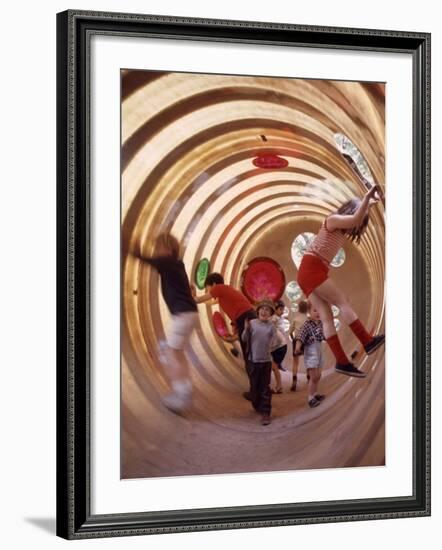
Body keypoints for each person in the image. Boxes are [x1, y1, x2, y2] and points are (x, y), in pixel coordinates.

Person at [297, 185, 385, 377]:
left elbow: (355, 219)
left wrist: (369, 205)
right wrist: (367, 197)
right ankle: (367, 341)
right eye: (359, 218)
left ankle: (342, 362)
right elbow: (354, 219)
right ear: (351, 211)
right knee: (342, 301)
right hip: (312, 267)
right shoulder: (333, 219)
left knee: (327, 317)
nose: (357, 226)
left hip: (309, 269)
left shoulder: (341, 228)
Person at [135, 233, 198, 414]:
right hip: (189, 314)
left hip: (184, 315)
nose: (156, 251)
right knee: (177, 353)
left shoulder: (169, 262)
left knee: (171, 353)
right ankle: (185, 389)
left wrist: (134, 252)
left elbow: (153, 261)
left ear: (169, 250)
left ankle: (181, 395)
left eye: (159, 248)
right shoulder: (176, 265)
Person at [194, 272, 257, 398]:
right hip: (249, 318)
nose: (208, 291)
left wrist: (188, 296)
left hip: (245, 318)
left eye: (207, 288)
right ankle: (262, 388)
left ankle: (256, 392)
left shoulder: (219, 288)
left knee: (249, 357)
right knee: (254, 354)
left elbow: (201, 299)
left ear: (213, 284)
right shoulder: (226, 291)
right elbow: (209, 303)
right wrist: (234, 337)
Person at [242, 299, 277, 425]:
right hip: (253, 361)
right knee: (254, 388)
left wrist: (273, 345)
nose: (264, 311)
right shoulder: (252, 323)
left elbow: (275, 341)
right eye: (262, 309)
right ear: (258, 311)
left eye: (267, 310)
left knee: (265, 388)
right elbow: (244, 339)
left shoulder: (271, 327)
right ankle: (257, 405)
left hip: (266, 361)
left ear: (271, 313)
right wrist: (246, 329)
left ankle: (266, 412)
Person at [294, 303, 326, 408]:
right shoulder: (307, 324)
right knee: (313, 377)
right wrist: (298, 347)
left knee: (319, 375)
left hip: (319, 351)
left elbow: (324, 335)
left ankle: (315, 393)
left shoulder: (320, 323)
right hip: (311, 351)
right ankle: (310, 398)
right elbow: (300, 336)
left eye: (319, 311)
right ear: (309, 312)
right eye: (315, 310)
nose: (317, 313)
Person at [289, 299, 309, 391]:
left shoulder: (295, 319)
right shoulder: (308, 320)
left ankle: (294, 380)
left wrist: (293, 338)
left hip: (297, 340)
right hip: (306, 341)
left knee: (295, 362)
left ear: (298, 309)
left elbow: (290, 331)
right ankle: (309, 378)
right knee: (308, 360)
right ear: (307, 309)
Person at [270, 300, 288, 394]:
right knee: (273, 366)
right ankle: (278, 385)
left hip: (279, 347)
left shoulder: (276, 318)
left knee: (274, 367)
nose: (282, 311)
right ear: (275, 309)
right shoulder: (275, 318)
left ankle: (279, 386)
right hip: (278, 346)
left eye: (283, 309)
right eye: (280, 309)